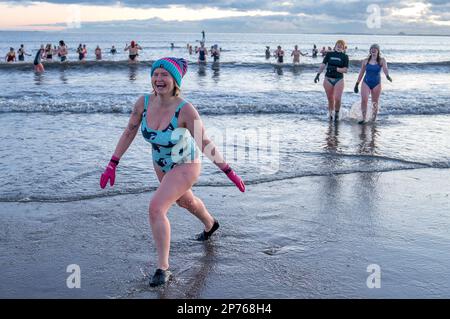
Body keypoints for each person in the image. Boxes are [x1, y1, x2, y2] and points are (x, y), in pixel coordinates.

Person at [99, 57, 245, 287]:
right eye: (155, 74)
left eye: (164, 75)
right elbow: (129, 132)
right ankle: (210, 224)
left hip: (186, 164)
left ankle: (163, 268)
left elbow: (204, 142)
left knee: (156, 208)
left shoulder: (185, 110)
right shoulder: (143, 103)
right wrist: (112, 163)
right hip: (160, 164)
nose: (159, 79)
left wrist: (228, 171)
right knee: (185, 202)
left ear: (174, 80)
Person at [354, 44, 392, 124]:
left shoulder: (382, 60)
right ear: (370, 51)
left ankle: (373, 119)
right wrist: (357, 83)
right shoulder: (365, 60)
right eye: (372, 48)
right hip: (366, 82)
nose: (373, 50)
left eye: (375, 49)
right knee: (364, 100)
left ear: (378, 51)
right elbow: (361, 72)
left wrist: (387, 75)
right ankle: (364, 118)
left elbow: (385, 68)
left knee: (375, 102)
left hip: (377, 83)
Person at [314, 40, 349, 121]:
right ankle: (330, 115)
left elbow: (345, 70)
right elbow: (323, 65)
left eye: (341, 45)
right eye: (338, 44)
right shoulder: (329, 54)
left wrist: (336, 69)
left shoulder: (345, 56)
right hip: (328, 79)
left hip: (339, 80)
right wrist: (318, 74)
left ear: (343, 47)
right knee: (330, 99)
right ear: (335, 45)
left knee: (337, 99)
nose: (339, 46)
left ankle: (336, 114)